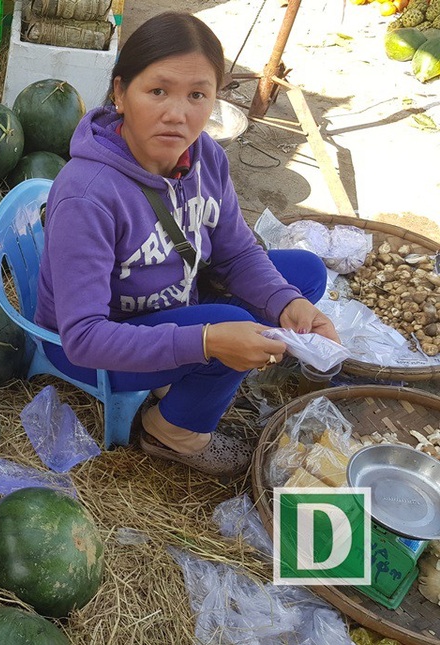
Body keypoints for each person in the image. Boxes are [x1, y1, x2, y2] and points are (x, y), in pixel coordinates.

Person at [34, 11, 339, 477]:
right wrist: (206, 339)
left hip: (174, 299)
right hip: (98, 345)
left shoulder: (206, 158)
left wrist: (287, 304)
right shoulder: (88, 194)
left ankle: (183, 370)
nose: (177, 114)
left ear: (215, 100)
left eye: (197, 95)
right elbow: (83, 338)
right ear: (120, 93)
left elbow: (236, 251)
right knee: (229, 324)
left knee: (303, 275)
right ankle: (172, 434)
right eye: (157, 91)